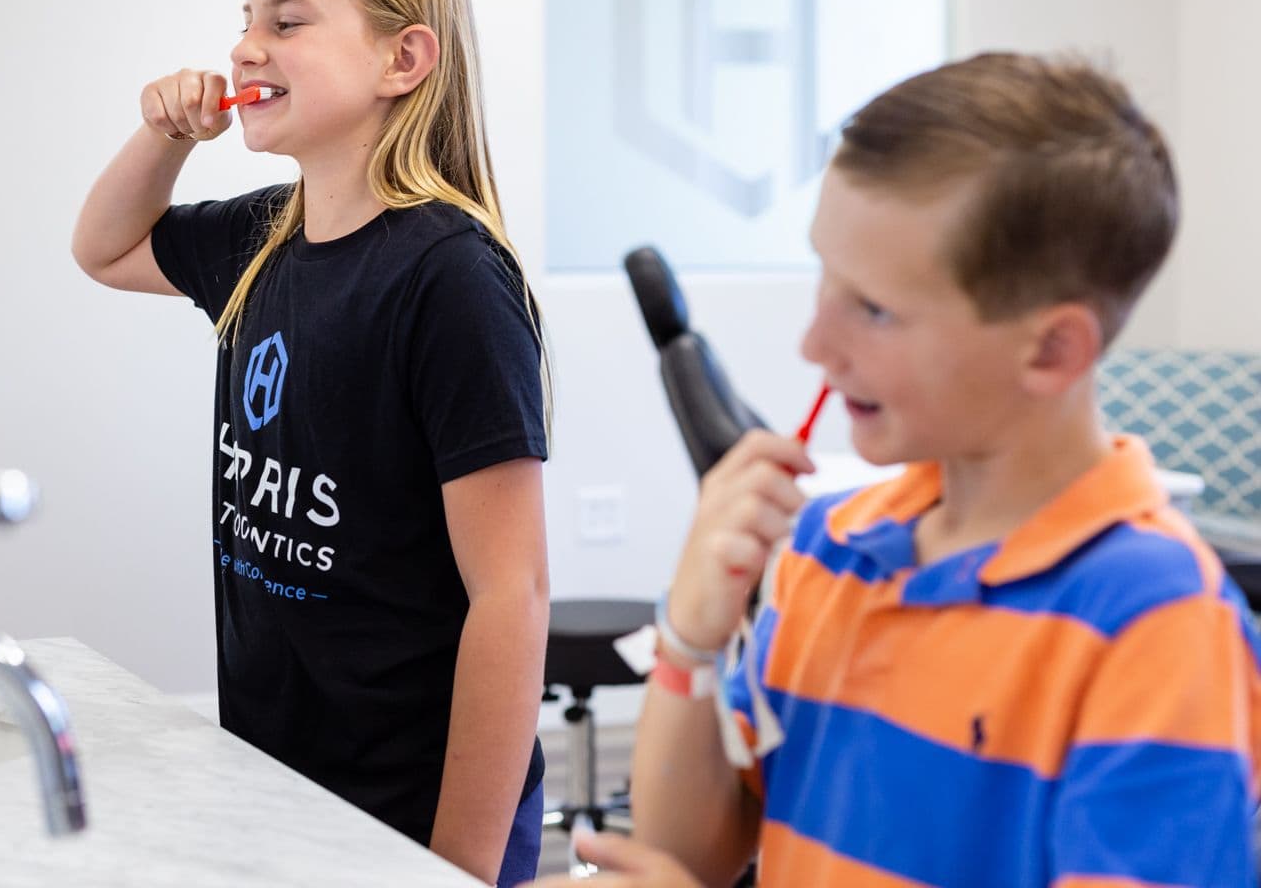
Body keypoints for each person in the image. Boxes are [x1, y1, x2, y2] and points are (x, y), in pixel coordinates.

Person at [530, 53, 1260, 888]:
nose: (814, 346)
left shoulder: (1159, 627)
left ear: (1053, 350)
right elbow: (691, 852)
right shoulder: (831, 545)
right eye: (825, 281)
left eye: (874, 309)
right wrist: (691, 639)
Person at [72, 0, 550, 885]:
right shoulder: (262, 239)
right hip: (275, 777)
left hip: (411, 809)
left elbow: (513, 596)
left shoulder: (449, 277)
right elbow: (105, 250)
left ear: (403, 58)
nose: (246, 46)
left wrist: (456, 863)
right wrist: (166, 134)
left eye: (287, 23)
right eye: (247, 20)